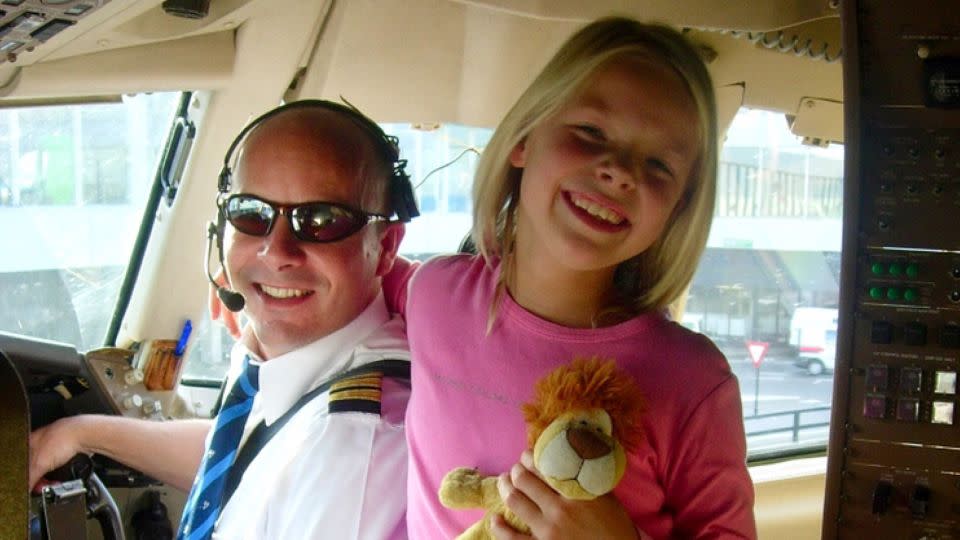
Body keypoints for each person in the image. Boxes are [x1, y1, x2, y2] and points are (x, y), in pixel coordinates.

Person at [387, 17, 756, 539]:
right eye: (591, 132)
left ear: (677, 209)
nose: (620, 171)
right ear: (522, 140)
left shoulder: (693, 382)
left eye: (657, 165)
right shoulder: (434, 293)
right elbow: (349, 287)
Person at [29, 100, 415, 539]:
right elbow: (246, 459)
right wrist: (79, 434)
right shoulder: (301, 371)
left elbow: (305, 455)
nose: (277, 251)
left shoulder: (353, 443)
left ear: (384, 248)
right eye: (252, 214)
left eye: (321, 220)